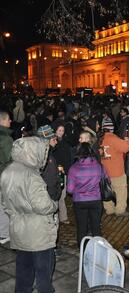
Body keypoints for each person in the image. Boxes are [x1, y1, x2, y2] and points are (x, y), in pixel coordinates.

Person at [0, 137, 58, 292]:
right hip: (38, 234)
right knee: (43, 276)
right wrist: (54, 204)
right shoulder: (31, 176)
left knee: (23, 274)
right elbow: (43, 205)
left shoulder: (8, 171)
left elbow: (4, 203)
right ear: (34, 152)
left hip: (19, 230)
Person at [67, 143, 105, 247]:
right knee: (96, 227)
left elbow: (69, 190)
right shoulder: (98, 166)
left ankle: (83, 251)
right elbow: (106, 180)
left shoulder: (73, 169)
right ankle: (99, 251)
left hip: (80, 201)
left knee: (82, 228)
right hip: (96, 200)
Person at [100, 121, 129, 216]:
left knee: (106, 190)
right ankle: (120, 210)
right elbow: (126, 147)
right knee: (121, 191)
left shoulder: (99, 139)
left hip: (104, 171)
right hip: (116, 171)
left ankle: (109, 209)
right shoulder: (113, 138)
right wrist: (127, 141)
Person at [53, 124, 72, 224]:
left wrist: (67, 172)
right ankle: (54, 217)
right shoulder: (52, 143)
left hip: (63, 173)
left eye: (62, 131)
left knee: (62, 195)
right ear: (55, 131)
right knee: (53, 195)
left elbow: (68, 159)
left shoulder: (65, 143)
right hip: (53, 173)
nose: (61, 132)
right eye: (59, 130)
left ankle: (63, 217)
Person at [0, 111, 13, 244]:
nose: (10, 121)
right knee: (4, 204)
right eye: (8, 119)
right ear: (2, 121)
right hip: (3, 176)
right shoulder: (6, 139)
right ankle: (4, 234)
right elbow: (9, 159)